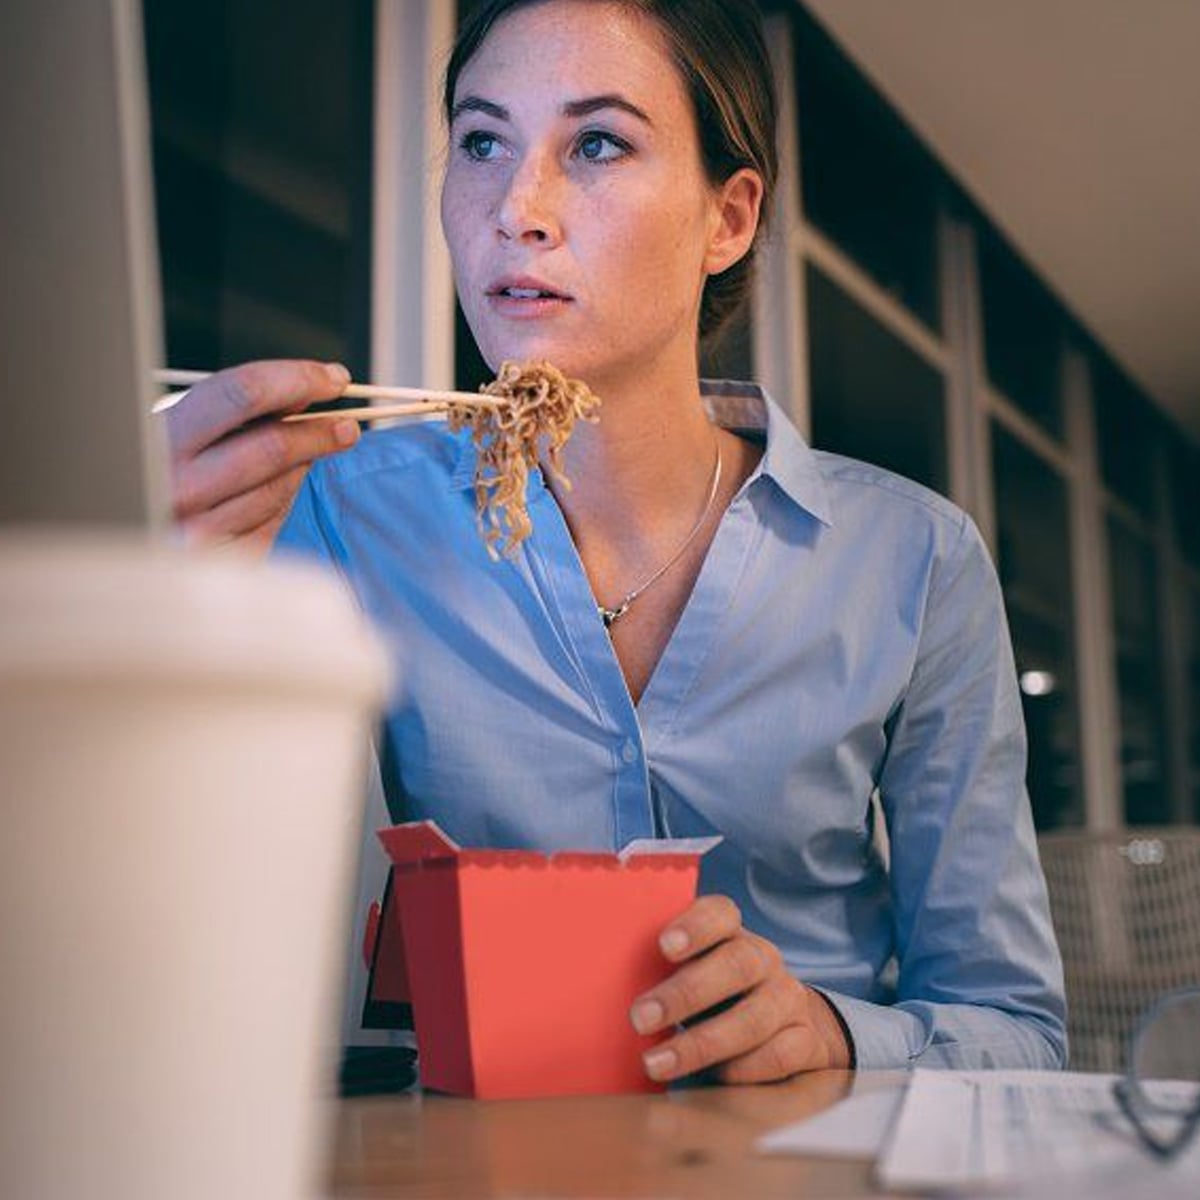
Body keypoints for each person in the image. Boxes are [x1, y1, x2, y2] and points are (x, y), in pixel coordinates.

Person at [165, 0, 1067, 1080]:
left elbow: (1016, 1029)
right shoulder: (332, 512)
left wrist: (834, 1035)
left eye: (597, 143)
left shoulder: (914, 560)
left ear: (728, 219)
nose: (517, 206)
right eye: (482, 140)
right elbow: (192, 921)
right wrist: (153, 604)